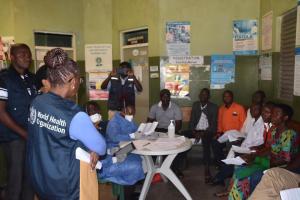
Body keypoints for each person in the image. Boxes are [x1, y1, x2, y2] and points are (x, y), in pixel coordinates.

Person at [26, 48, 107, 200]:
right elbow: (101, 147)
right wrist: (92, 139)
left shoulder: (37, 102)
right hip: (65, 187)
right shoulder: (75, 115)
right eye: (80, 80)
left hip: (41, 180)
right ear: (73, 81)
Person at [228, 103, 300, 200]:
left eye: (277, 113)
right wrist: (254, 156)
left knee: (253, 175)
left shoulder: (289, 134)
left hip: (282, 168)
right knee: (242, 166)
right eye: (273, 113)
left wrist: (258, 160)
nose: (273, 116)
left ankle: (250, 195)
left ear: (285, 117)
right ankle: (235, 196)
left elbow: (285, 160)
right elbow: (270, 149)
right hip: (270, 161)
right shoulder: (274, 131)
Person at [0, 43, 37, 200]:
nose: (27, 57)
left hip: (31, 136)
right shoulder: (3, 79)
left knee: (30, 180)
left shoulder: (32, 78)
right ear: (12, 57)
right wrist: (23, 133)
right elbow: (0, 112)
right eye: (22, 54)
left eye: (28, 54)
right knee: (16, 182)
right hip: (14, 138)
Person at [210, 103, 264, 187]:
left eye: (256, 109)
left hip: (252, 149)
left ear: (261, 111)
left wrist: (250, 147)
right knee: (231, 150)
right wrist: (243, 139)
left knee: (233, 156)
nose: (253, 111)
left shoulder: (262, 124)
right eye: (252, 109)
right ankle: (221, 176)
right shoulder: (253, 120)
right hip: (245, 145)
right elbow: (248, 135)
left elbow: (260, 141)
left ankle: (219, 177)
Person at [99, 105, 145, 186]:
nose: (131, 117)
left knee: (141, 159)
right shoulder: (114, 122)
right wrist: (131, 136)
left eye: (133, 114)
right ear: (123, 112)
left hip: (126, 148)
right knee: (135, 166)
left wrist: (140, 133)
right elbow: (114, 137)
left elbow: (135, 129)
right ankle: (128, 188)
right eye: (130, 114)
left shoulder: (129, 120)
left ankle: (134, 185)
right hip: (114, 148)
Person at [148, 89, 183, 176]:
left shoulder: (175, 107)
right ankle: (154, 169)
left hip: (171, 130)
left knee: (177, 146)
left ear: (170, 97)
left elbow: (179, 125)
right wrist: (151, 131)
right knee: (150, 144)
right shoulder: (154, 107)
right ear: (160, 97)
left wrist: (170, 133)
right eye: (164, 96)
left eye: (168, 96)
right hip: (158, 130)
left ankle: (175, 169)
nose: (166, 98)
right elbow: (149, 122)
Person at [185, 88, 218, 182]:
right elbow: (191, 122)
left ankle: (207, 169)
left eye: (206, 94)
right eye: (202, 94)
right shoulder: (195, 105)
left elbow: (213, 126)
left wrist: (202, 133)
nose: (203, 96)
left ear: (209, 97)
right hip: (196, 131)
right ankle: (180, 165)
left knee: (206, 142)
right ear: (199, 96)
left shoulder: (213, 107)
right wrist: (195, 132)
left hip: (207, 132)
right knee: (181, 136)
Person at [212, 90, 246, 167]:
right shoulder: (221, 109)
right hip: (224, 135)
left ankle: (229, 166)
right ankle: (221, 163)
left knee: (229, 144)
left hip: (236, 136)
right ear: (223, 98)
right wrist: (218, 133)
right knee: (215, 143)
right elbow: (219, 122)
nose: (226, 98)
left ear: (232, 97)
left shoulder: (239, 108)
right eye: (225, 96)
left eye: (228, 96)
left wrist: (240, 136)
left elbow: (244, 124)